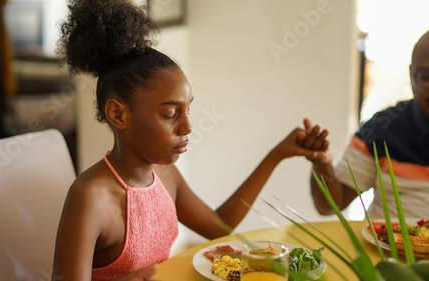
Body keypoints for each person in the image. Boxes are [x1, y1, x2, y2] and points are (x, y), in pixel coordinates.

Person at [51, 1, 328, 280]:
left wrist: (276, 154)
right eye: (171, 114)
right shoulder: (90, 197)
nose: (188, 127)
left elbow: (219, 226)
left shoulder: (164, 174)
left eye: (187, 110)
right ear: (118, 114)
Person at [302, 30, 429, 219]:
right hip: (387, 248)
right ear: (411, 76)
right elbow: (331, 205)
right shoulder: (381, 130)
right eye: (425, 76)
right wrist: (322, 165)